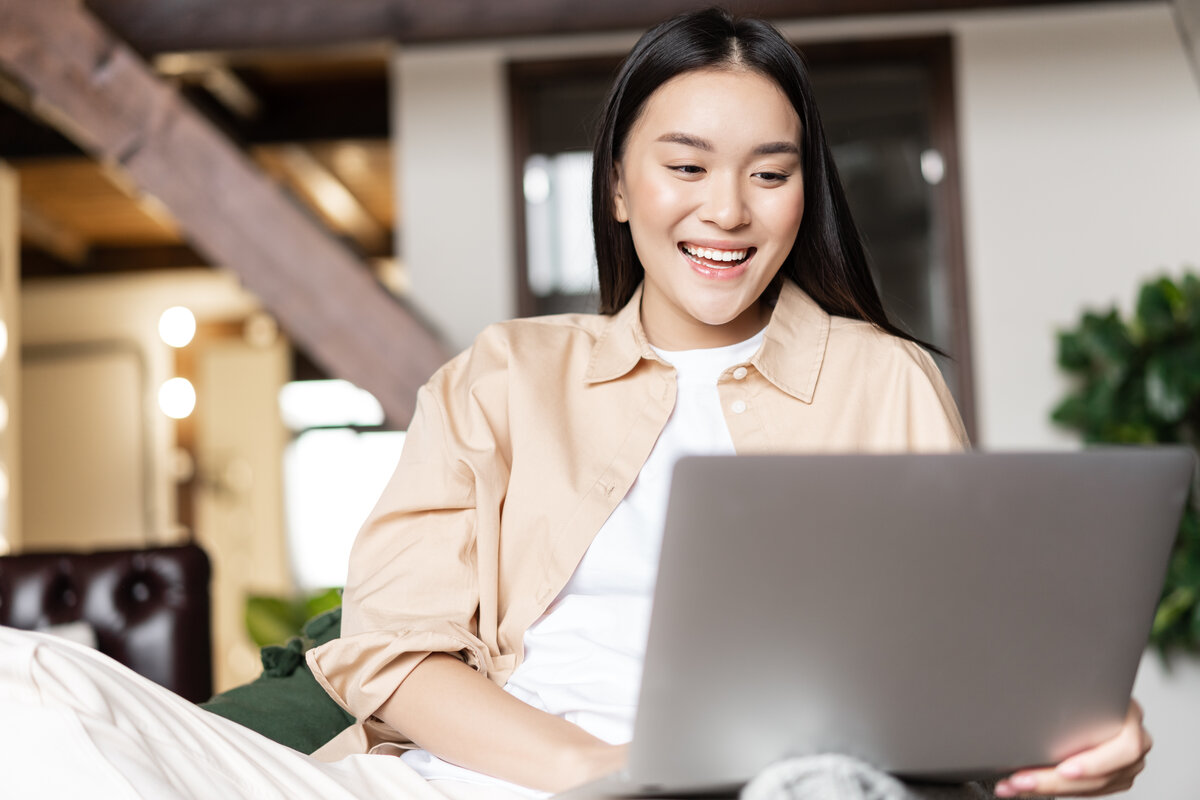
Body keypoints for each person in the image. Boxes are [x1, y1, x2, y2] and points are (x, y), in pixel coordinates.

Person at [0, 8, 1151, 800]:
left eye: (771, 168)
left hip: (776, 784)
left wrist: (1095, 737)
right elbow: (393, 655)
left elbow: (964, 662)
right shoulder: (502, 376)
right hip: (489, 775)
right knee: (24, 683)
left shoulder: (883, 379)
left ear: (807, 189)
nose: (729, 210)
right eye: (686, 165)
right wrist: (600, 767)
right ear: (618, 185)